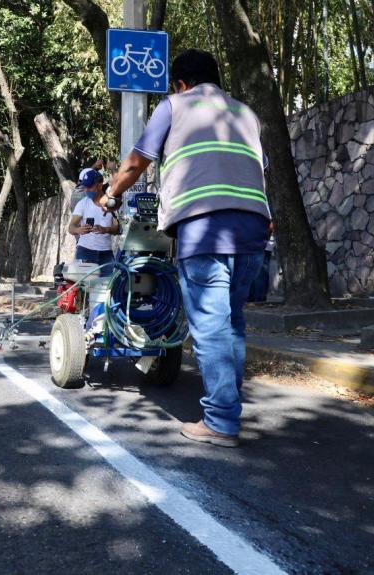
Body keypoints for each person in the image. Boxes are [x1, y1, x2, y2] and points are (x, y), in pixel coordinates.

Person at [100, 49, 271, 447]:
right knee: (233, 323)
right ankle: (229, 406)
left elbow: (137, 162)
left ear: (181, 83)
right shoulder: (246, 115)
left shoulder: (173, 106)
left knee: (211, 326)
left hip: (204, 225)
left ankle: (221, 422)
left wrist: (110, 194)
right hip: (251, 229)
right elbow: (257, 169)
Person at [68, 169, 119, 275]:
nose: (86, 190)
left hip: (106, 254)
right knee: (85, 288)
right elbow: (71, 228)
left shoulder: (111, 204)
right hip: (85, 252)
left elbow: (117, 228)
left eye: (90, 187)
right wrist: (79, 230)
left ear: (100, 186)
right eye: (85, 187)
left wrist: (105, 229)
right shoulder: (82, 204)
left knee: (107, 287)